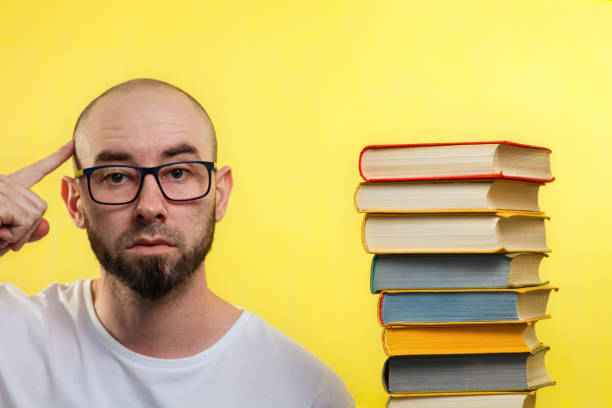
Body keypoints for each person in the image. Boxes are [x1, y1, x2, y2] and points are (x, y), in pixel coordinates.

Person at [0, 78, 354, 407]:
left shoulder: (307, 393)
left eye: (178, 172)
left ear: (220, 193)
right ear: (76, 202)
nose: (150, 207)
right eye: (117, 176)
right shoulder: (10, 340)